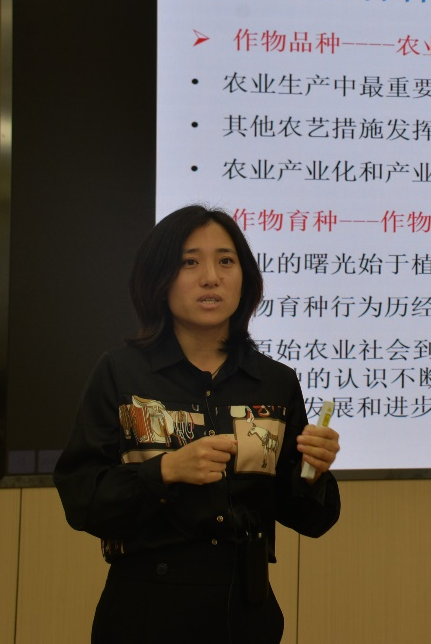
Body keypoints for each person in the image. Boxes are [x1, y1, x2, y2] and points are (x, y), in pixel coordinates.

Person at [54, 205, 340, 642]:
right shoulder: (120, 373)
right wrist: (165, 471)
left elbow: (310, 519)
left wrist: (313, 472)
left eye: (226, 261)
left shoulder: (275, 382)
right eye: (190, 262)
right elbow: (82, 499)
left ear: (245, 278)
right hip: (145, 607)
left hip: (245, 611)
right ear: (159, 279)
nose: (211, 277)